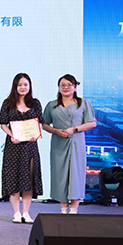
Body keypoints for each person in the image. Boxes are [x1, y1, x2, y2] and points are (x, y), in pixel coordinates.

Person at [42, 74, 96, 214]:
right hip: (58, 143)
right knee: (60, 174)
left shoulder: (83, 103)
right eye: (62, 85)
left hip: (76, 142)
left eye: (69, 85)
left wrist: (74, 129)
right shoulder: (52, 105)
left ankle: (74, 209)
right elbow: (44, 124)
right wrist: (56, 131)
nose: (65, 88)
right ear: (59, 87)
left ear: (75, 87)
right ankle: (63, 208)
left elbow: (92, 123)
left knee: (76, 173)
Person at [0, 73, 44, 224]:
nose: (23, 87)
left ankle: (26, 212)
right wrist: (12, 135)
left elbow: (40, 122)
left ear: (29, 86)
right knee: (14, 178)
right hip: (13, 145)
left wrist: (36, 134)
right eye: (20, 85)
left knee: (28, 180)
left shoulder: (35, 103)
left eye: (25, 84)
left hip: (30, 147)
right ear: (15, 86)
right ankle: (16, 213)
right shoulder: (8, 103)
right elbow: (3, 123)